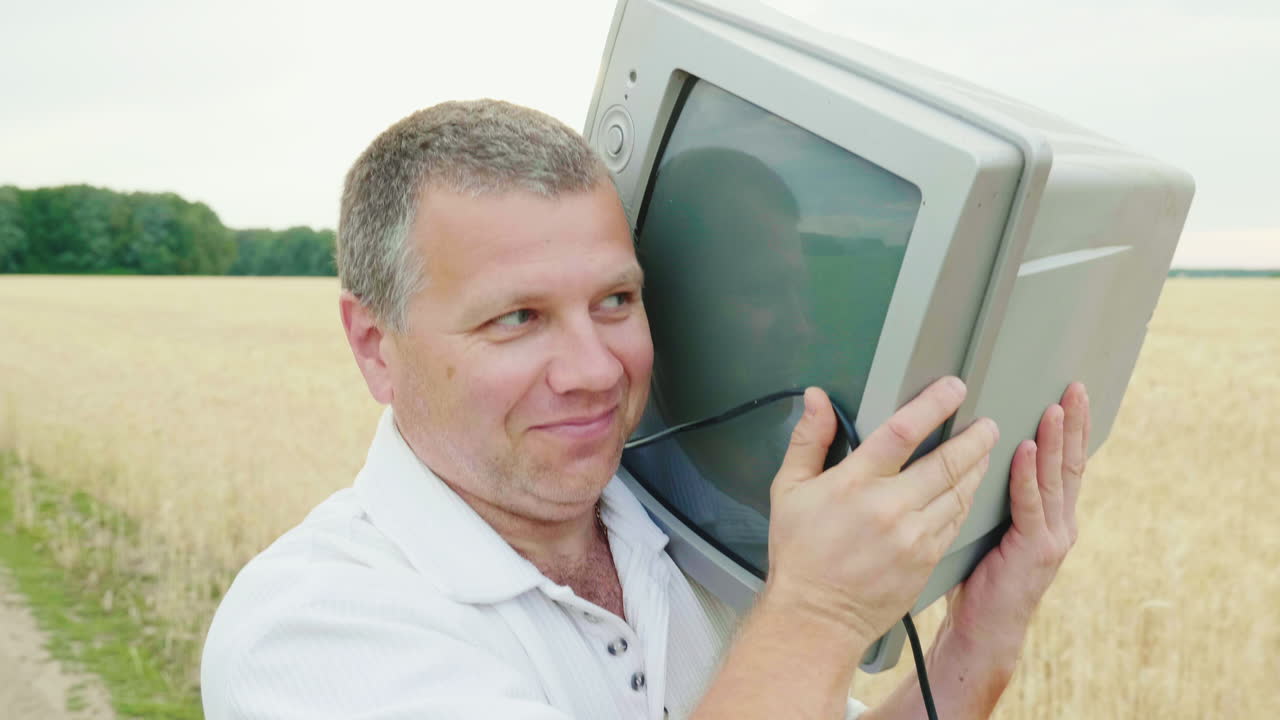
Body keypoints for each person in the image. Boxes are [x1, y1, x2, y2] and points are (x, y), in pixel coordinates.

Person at [201, 99, 1091, 720]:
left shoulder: (693, 536)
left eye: (616, 301)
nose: (596, 370)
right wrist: (817, 614)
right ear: (374, 345)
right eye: (518, 318)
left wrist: (983, 634)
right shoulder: (309, 631)